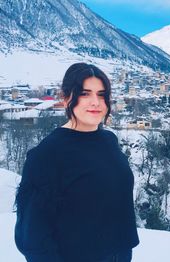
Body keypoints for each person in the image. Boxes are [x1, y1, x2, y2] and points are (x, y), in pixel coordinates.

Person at [15, 63, 139, 262]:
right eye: (85, 93)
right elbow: (32, 239)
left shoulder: (109, 140)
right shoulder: (47, 154)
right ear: (66, 98)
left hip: (120, 254)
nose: (95, 102)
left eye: (101, 94)